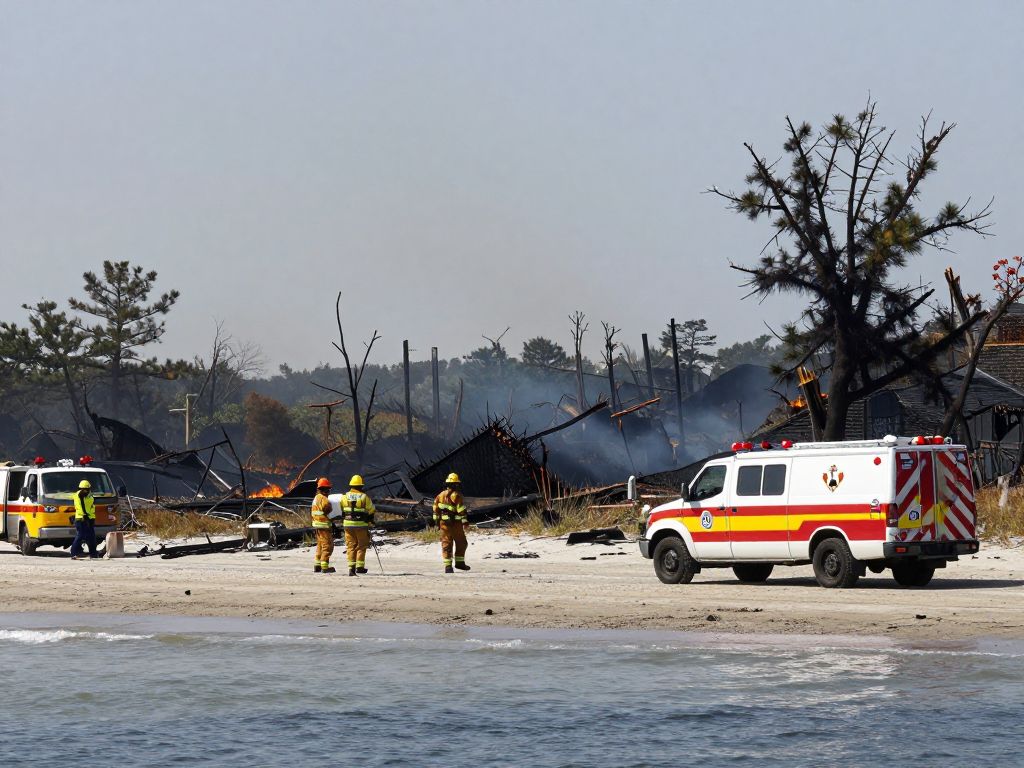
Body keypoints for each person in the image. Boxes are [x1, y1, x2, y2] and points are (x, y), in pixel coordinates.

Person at [433, 473, 470, 574]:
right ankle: (460, 563)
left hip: (443, 524)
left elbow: (435, 509)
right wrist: (465, 521)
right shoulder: (456, 495)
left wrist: (436, 522)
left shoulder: (440, 495)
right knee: (462, 542)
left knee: (446, 543)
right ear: (455, 484)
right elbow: (461, 510)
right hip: (455, 524)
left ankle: (448, 567)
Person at [340, 475, 375, 576]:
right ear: (360, 486)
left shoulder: (344, 497)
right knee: (361, 545)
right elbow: (372, 509)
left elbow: (342, 508)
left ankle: (351, 568)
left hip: (347, 525)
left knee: (350, 546)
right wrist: (369, 519)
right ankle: (360, 567)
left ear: (351, 485)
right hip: (361, 525)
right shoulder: (364, 497)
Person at [70, 479, 100, 560]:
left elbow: (91, 506)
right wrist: (84, 515)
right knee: (80, 535)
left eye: (87, 489)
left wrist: (91, 517)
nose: (85, 491)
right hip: (81, 519)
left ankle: (93, 554)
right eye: (83, 489)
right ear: (80, 489)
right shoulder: (79, 496)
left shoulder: (89, 495)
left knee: (91, 537)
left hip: (90, 518)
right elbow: (80, 507)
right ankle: (74, 553)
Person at [311, 477, 336, 573]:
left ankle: (317, 565)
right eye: (328, 489)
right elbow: (326, 509)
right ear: (325, 489)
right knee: (328, 546)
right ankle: (325, 567)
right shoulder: (324, 499)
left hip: (317, 525)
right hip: (324, 525)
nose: (329, 491)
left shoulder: (316, 498)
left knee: (320, 545)